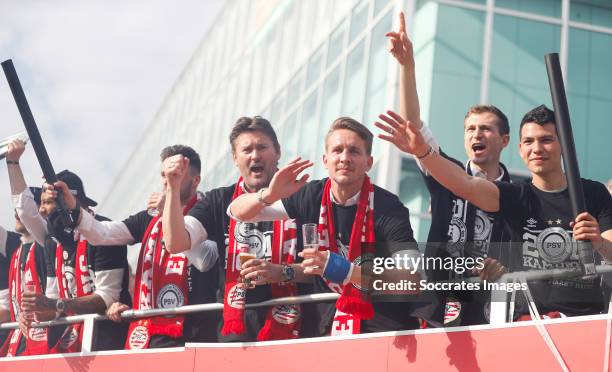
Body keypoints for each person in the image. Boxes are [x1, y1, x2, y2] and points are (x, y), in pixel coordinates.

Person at [377, 104, 612, 318]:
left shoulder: (593, 194)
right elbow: (464, 183)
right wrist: (422, 152)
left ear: (564, 145)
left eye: (546, 140)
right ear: (520, 149)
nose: (537, 149)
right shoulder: (515, 196)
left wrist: (599, 243)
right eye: (529, 142)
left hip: (585, 322)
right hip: (528, 324)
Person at [228, 117, 427, 336]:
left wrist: (348, 271)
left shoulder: (389, 207)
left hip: (382, 332)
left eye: (354, 151)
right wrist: (269, 195)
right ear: (325, 159)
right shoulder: (310, 195)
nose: (344, 158)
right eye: (337, 150)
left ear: (369, 162)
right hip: (325, 329)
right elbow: (237, 212)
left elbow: (411, 280)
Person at [384, 12, 512, 325]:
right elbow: (413, 127)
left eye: (485, 129)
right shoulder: (443, 169)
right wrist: (407, 66)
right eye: (470, 129)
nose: (476, 135)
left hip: (493, 309)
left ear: (505, 140)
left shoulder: (518, 193)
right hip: (439, 307)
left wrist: (505, 266)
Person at [47, 145, 220, 348]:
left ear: (195, 180)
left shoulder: (210, 210)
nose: (168, 181)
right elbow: (103, 234)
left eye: (176, 175)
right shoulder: (149, 217)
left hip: (196, 332)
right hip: (150, 331)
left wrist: (170, 214)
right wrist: (74, 207)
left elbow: (205, 261)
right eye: (164, 175)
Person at [161, 117, 305, 342]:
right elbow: (176, 243)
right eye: (246, 149)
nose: (255, 155)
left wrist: (281, 272)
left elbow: (323, 269)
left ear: (277, 151)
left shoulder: (303, 194)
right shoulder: (219, 200)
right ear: (235, 159)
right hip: (235, 329)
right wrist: (173, 187)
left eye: (262, 147)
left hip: (296, 325)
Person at [6, 139, 131, 351]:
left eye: (47, 203)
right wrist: (35, 311)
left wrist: (56, 305)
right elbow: (25, 211)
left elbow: (106, 298)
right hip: (71, 338)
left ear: (68, 199)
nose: (42, 210)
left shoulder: (104, 232)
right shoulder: (52, 239)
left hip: (108, 338)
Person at [0, 188, 51, 357]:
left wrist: (13, 164)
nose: (16, 214)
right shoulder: (17, 252)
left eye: (21, 211)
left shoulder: (48, 244)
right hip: (19, 341)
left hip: (47, 337)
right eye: (14, 210)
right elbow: (9, 308)